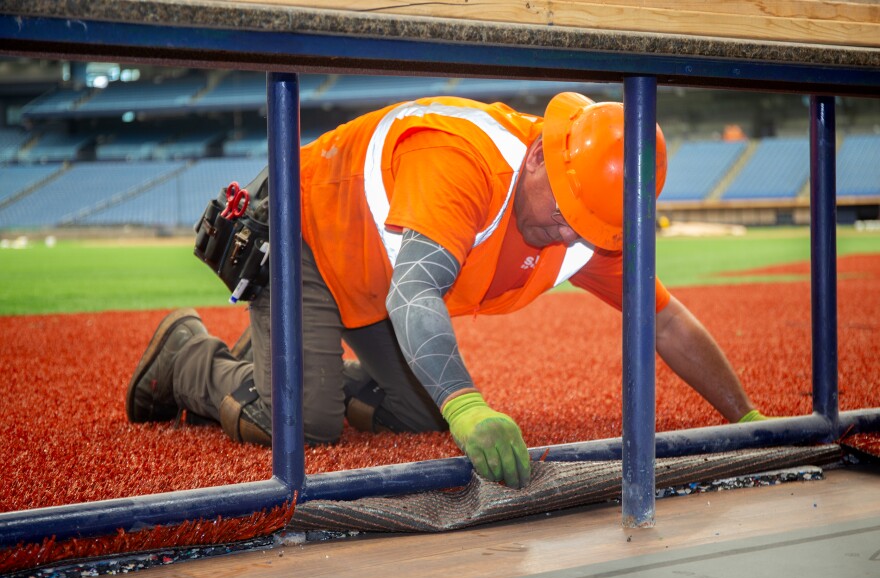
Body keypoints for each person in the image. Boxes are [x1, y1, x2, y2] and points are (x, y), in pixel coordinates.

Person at [127, 93, 769, 490]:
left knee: (421, 415)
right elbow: (415, 296)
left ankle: (293, 351)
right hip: (309, 232)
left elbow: (666, 322)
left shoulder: (587, 229)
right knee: (306, 426)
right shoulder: (463, 162)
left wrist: (746, 419)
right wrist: (470, 406)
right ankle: (187, 355)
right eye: (566, 210)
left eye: (589, 225)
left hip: (378, 272)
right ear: (541, 155)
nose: (567, 232)